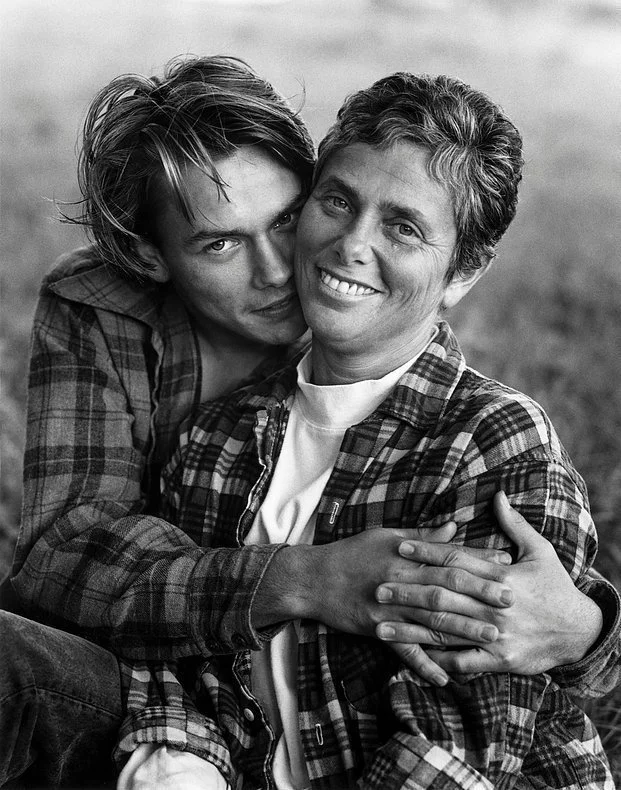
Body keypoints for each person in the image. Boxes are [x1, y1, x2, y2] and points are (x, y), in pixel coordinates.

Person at [1, 56, 619, 787]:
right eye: (338, 202)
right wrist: (303, 583)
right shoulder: (212, 428)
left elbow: (461, 748)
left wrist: (587, 627)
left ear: (462, 273)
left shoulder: (484, 437)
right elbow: (118, 605)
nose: (341, 248)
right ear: (151, 255)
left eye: (402, 227)